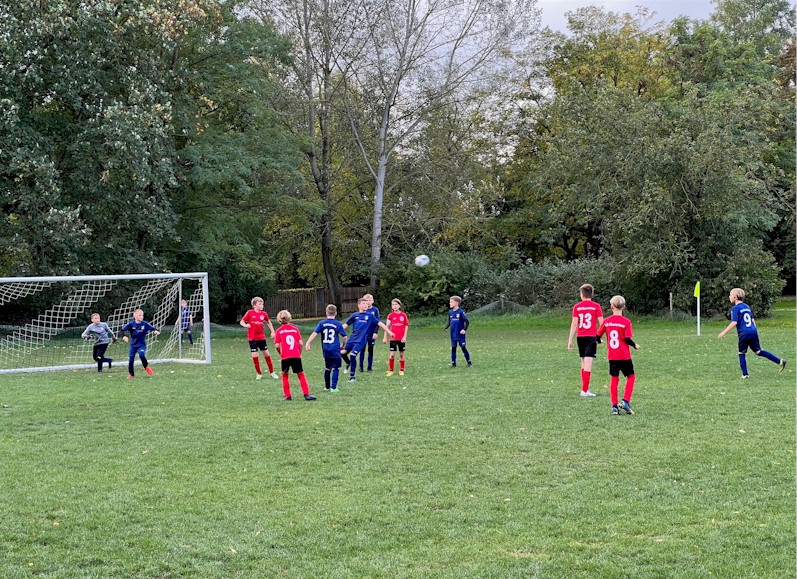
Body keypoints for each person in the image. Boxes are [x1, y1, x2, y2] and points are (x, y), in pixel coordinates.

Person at [718, 288, 787, 378]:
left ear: (735, 297)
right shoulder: (747, 306)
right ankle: (780, 361)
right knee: (758, 351)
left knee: (741, 353)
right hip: (753, 331)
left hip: (744, 333)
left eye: (730, 295)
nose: (729, 297)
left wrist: (724, 332)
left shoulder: (735, 308)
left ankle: (745, 374)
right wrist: (753, 330)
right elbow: (752, 320)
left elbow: (734, 322)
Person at [597, 296, 639, 415]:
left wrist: (600, 341)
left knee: (614, 379)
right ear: (624, 307)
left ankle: (614, 406)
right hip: (624, 356)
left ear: (611, 307)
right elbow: (627, 338)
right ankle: (625, 400)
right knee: (631, 376)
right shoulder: (626, 322)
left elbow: (597, 336)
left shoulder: (607, 321)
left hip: (612, 356)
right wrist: (635, 345)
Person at [342, 298, 393, 382]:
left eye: (367, 304)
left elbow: (381, 324)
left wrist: (389, 332)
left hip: (361, 340)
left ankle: (352, 376)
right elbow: (346, 325)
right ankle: (349, 363)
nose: (366, 305)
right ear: (359, 305)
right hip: (352, 339)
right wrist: (337, 330)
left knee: (353, 355)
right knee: (342, 353)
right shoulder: (354, 315)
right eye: (363, 303)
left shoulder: (370, 316)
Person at [567, 284, 604, 397]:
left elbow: (574, 324)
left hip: (580, 337)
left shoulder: (577, 307)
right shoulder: (596, 306)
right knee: (588, 363)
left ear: (581, 294)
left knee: (583, 362)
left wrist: (570, 340)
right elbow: (602, 323)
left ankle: (585, 389)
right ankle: (584, 390)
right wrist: (600, 336)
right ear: (591, 294)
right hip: (591, 337)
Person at [273, 310, 316, 401]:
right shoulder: (295, 329)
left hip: (285, 356)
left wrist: (280, 353)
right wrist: (299, 353)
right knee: (300, 374)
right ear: (289, 318)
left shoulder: (279, 331)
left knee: (285, 375)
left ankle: (288, 396)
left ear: (279, 319)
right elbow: (300, 343)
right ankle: (306, 394)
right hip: (295, 355)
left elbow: (276, 345)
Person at [306, 304, 348, 392]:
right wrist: (343, 345)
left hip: (326, 349)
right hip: (335, 349)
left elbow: (315, 333)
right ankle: (333, 388)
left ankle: (327, 387)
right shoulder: (337, 324)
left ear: (326, 313)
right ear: (335, 313)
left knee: (328, 368)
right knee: (336, 368)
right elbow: (344, 337)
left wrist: (308, 342)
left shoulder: (322, 323)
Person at [240, 297, 279, 380]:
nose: (262, 306)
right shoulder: (249, 313)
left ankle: (272, 372)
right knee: (255, 356)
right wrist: (245, 325)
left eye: (262, 304)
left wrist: (272, 332)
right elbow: (242, 321)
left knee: (267, 354)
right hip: (252, 339)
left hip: (261, 338)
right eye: (260, 304)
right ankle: (259, 373)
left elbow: (268, 322)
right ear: (254, 305)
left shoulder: (264, 314)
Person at [120, 309, 160, 379]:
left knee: (141, 355)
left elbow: (154, 328)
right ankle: (131, 374)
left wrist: (156, 331)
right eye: (140, 315)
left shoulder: (145, 324)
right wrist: (124, 336)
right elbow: (121, 330)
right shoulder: (131, 324)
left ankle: (146, 366)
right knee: (131, 359)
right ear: (134, 316)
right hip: (133, 345)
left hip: (141, 345)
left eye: (142, 315)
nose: (141, 317)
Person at [383, 298, 409, 376]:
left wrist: (404, 337)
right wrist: (385, 337)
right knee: (392, 354)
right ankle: (390, 370)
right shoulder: (390, 316)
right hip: (393, 338)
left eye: (396, 304)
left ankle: (401, 370)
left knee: (401, 354)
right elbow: (386, 327)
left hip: (401, 339)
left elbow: (406, 326)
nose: (394, 306)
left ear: (399, 306)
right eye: (393, 305)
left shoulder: (403, 315)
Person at [445, 295, 472, 367]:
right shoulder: (450, 312)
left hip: (460, 334)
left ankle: (469, 363)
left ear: (456, 303)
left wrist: (464, 329)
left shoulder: (461, 312)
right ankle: (453, 364)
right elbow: (449, 321)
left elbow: (467, 321)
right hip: (453, 334)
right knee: (453, 348)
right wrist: (446, 327)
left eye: (451, 302)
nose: (449, 303)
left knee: (463, 347)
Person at [358, 293, 380, 372]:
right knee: (362, 350)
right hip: (363, 334)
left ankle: (369, 367)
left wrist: (375, 332)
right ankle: (361, 367)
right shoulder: (362, 310)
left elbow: (378, 322)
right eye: (366, 300)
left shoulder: (375, 310)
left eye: (369, 300)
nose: (367, 302)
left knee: (370, 350)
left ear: (372, 301)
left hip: (371, 333)